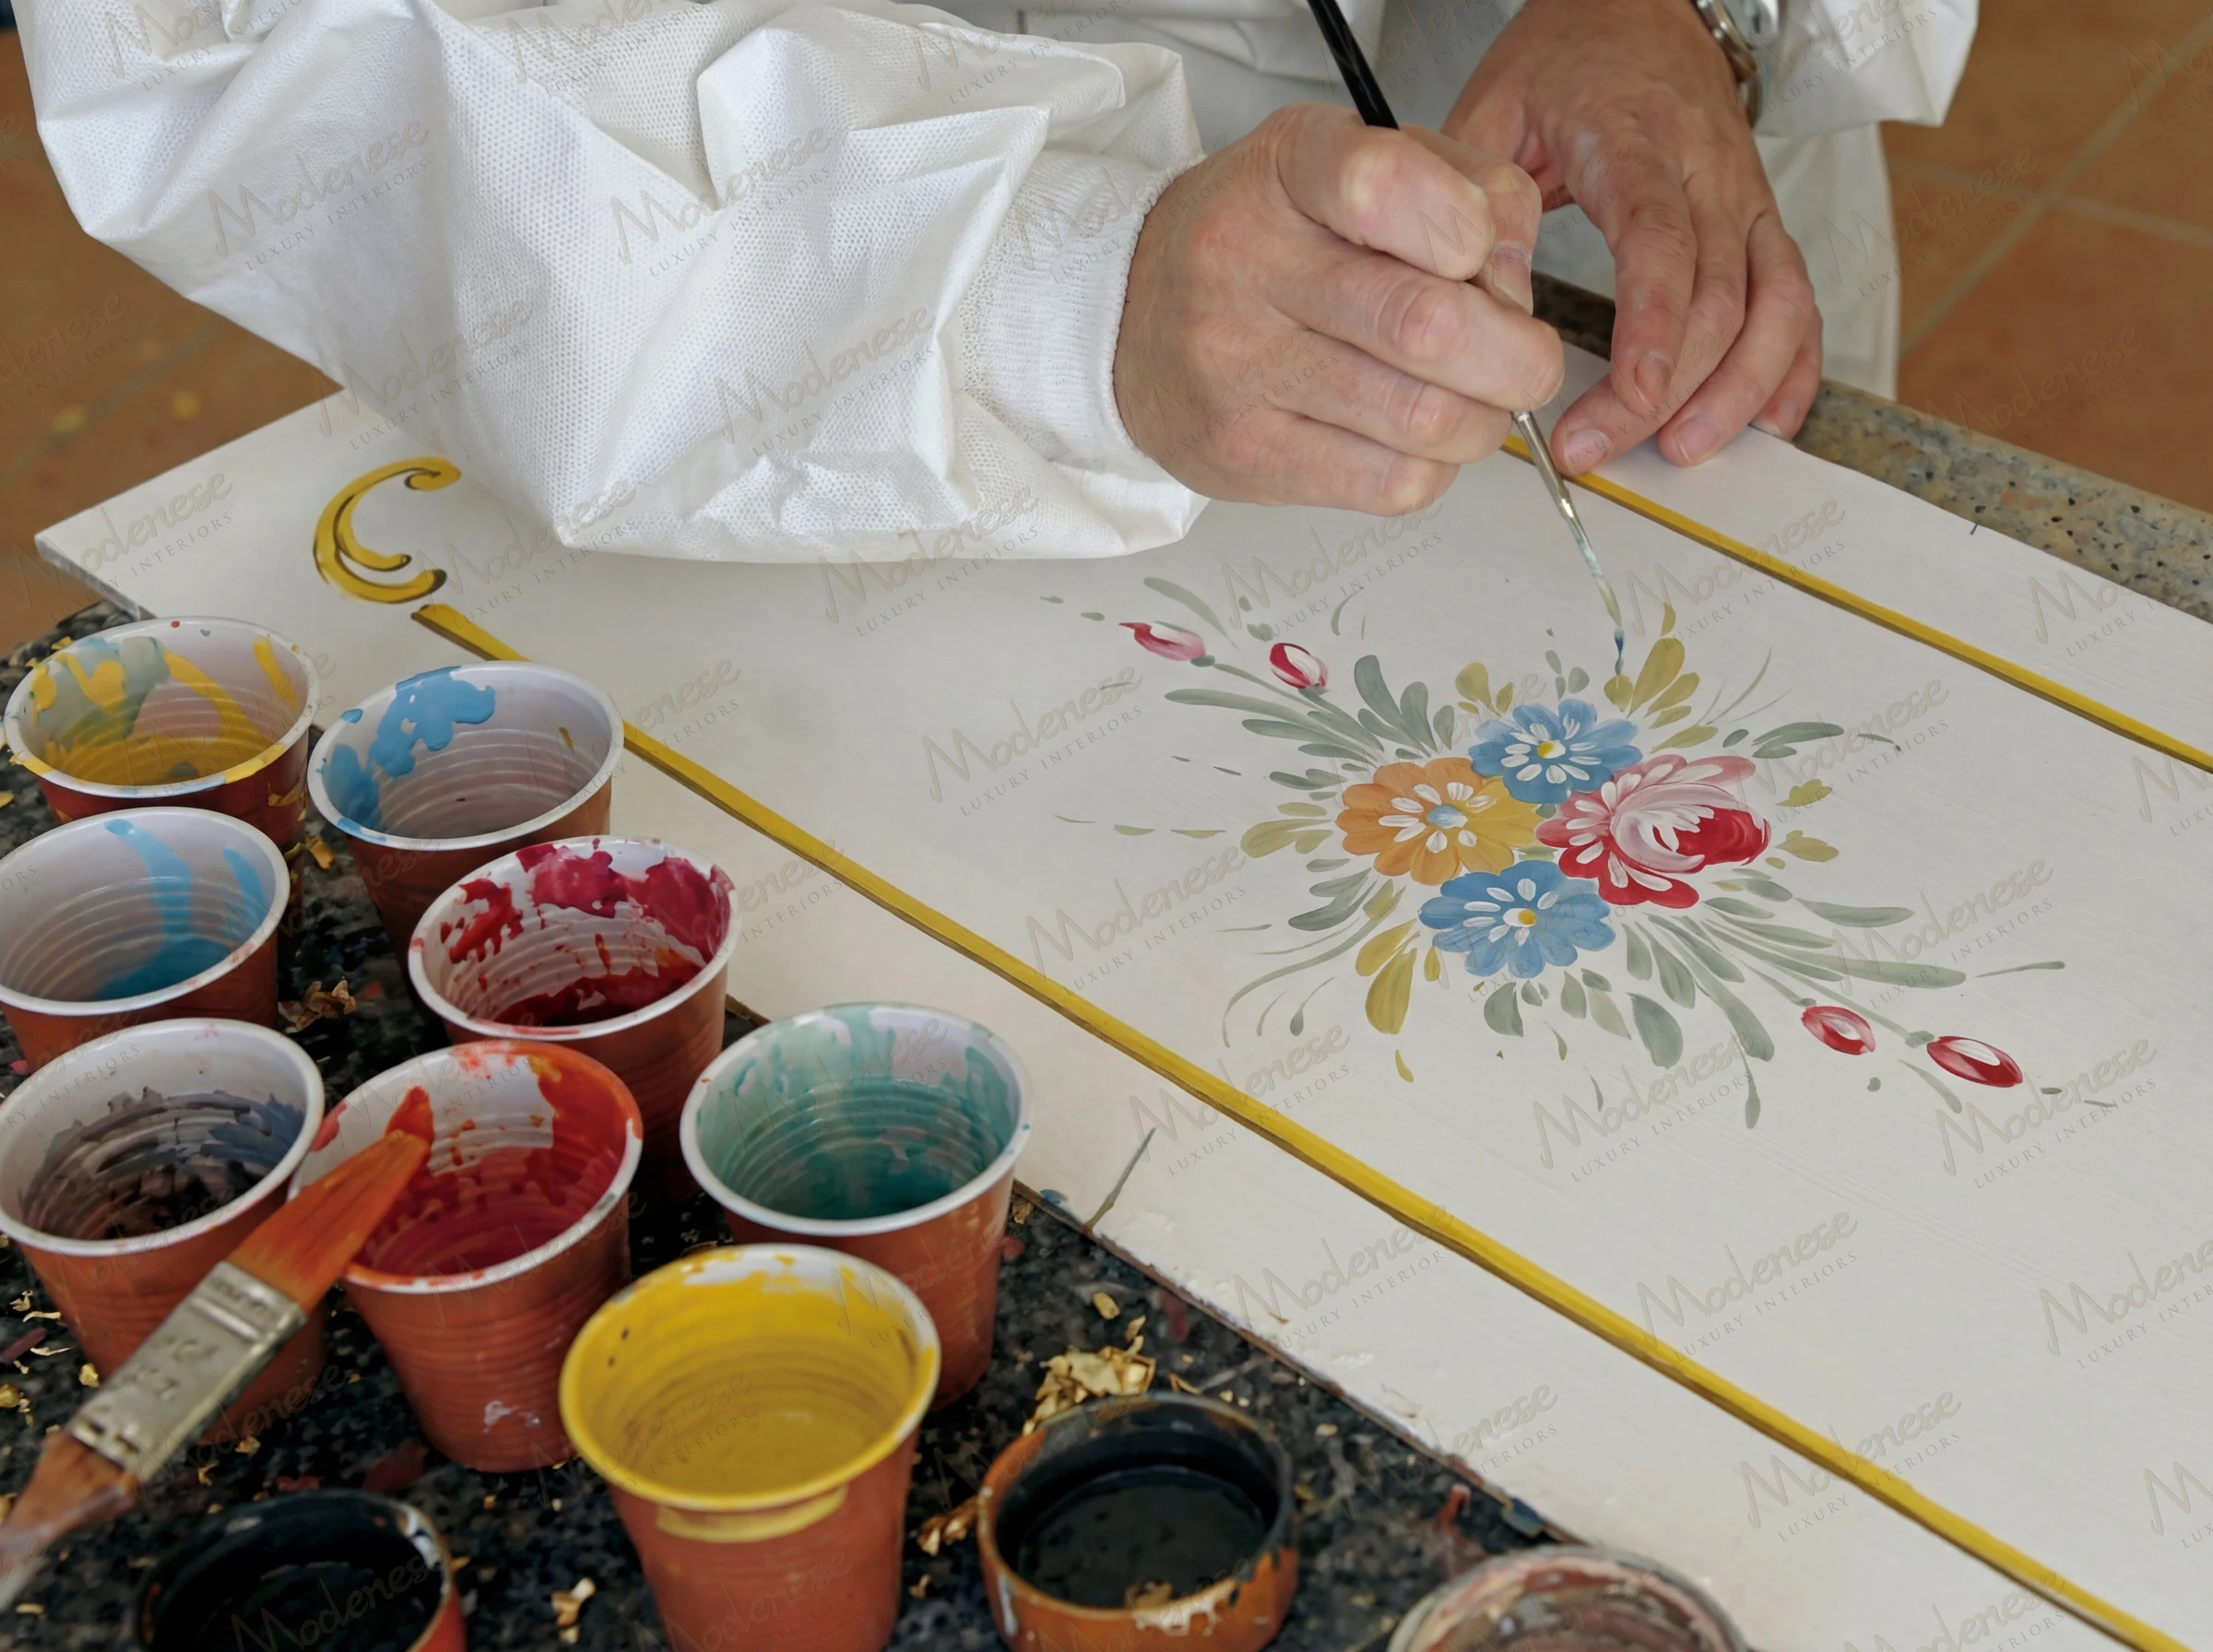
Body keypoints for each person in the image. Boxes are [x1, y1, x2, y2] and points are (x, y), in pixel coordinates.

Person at [19, 0, 1970, 564]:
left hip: (1570, 152)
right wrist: (1033, 294)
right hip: (757, 353)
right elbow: (233, 50)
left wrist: (1700, 8)